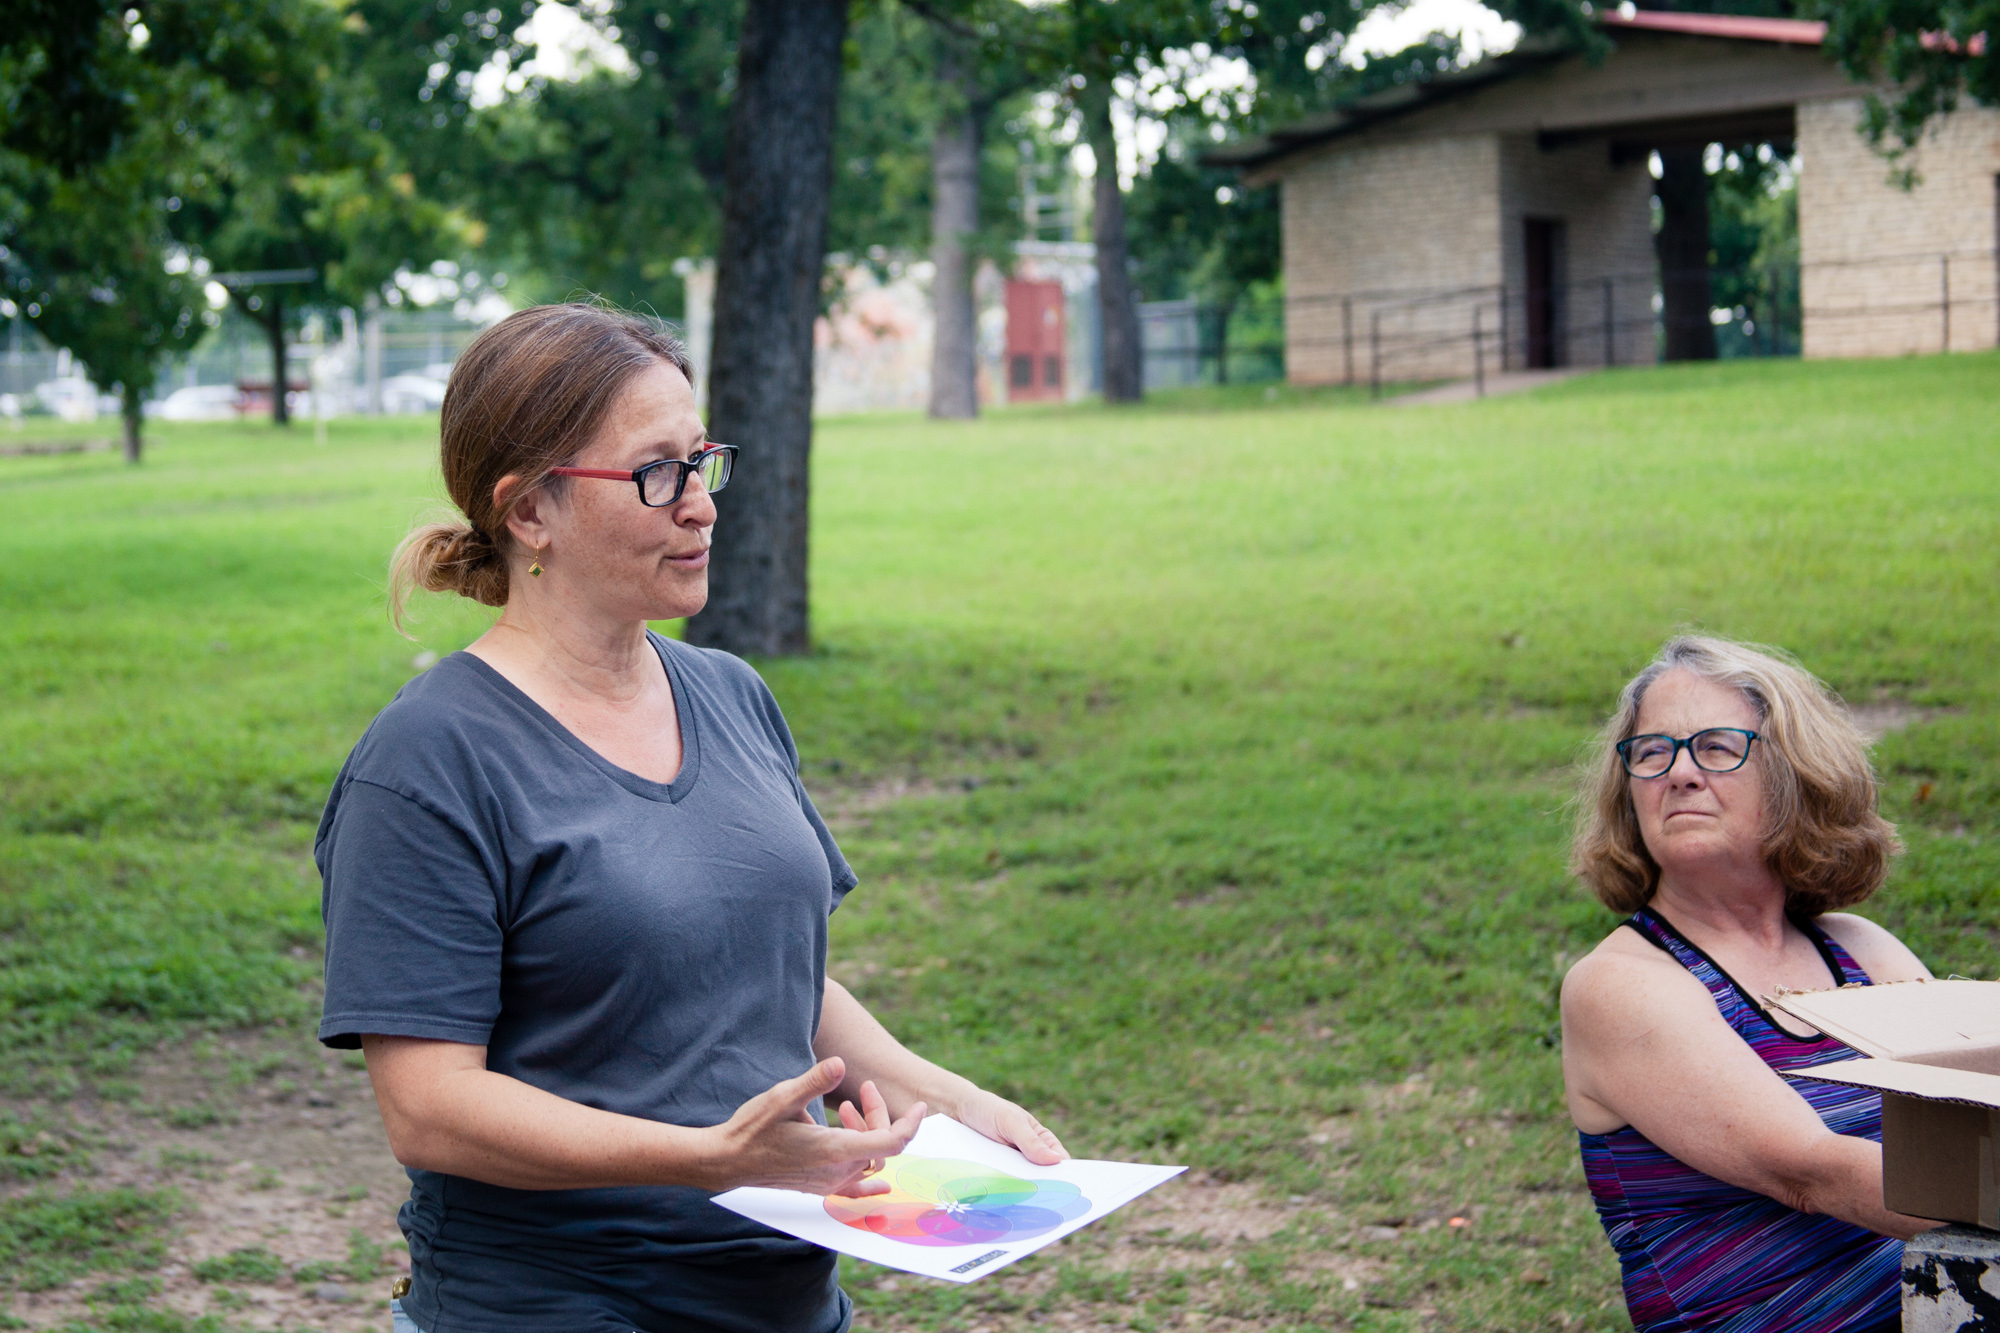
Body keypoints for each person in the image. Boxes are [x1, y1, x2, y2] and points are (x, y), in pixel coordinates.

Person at [315, 303, 1067, 1333]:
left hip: (787, 1301)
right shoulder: (428, 759)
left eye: (700, 460)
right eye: (656, 473)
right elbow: (430, 1109)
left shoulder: (730, 693)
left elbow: (772, 975)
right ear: (530, 511)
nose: (701, 506)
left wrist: (952, 1101)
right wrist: (707, 1158)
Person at [1561, 634, 1934, 1333]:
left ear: (1793, 774)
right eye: (1653, 752)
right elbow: (1812, 1172)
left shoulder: (1861, 950)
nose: (1680, 773)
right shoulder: (1620, 985)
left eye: (1716, 747)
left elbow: (1970, 1119)